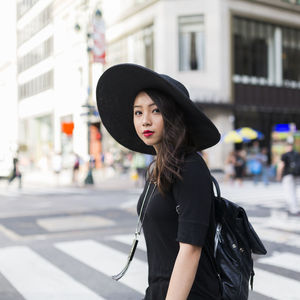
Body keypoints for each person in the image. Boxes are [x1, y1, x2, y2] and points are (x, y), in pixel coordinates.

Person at [96, 64, 221, 300]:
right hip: (159, 291)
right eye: (138, 112)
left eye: (155, 111)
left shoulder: (190, 167)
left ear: (172, 116)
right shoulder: (157, 169)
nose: (145, 121)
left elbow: (190, 249)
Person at [277, 140, 300, 216]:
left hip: (287, 176)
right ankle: (295, 208)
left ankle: (293, 209)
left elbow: (281, 165)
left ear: (286, 147)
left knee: (288, 193)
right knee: (294, 192)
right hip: (297, 176)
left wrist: (278, 176)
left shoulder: (285, 155)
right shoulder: (297, 154)